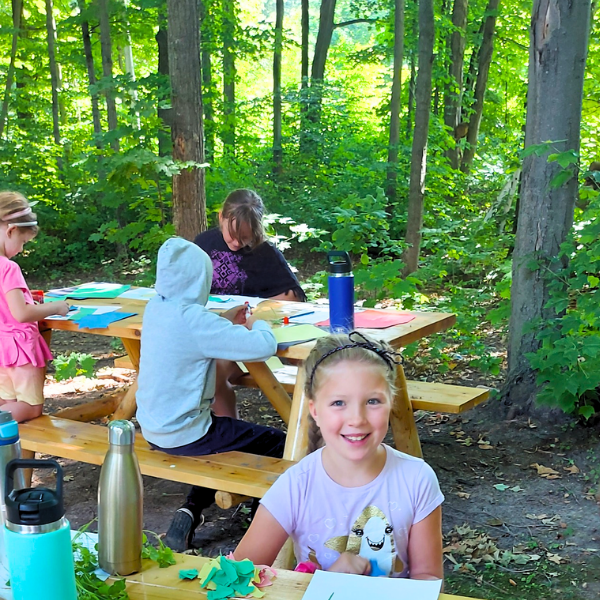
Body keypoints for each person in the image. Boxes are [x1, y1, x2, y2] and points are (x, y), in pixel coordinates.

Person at [234, 332, 444, 580]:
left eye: (373, 401)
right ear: (315, 410)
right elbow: (237, 578)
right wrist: (331, 579)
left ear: (391, 403)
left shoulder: (416, 478)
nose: (357, 419)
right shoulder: (296, 485)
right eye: (338, 403)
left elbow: (428, 578)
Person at [136, 237, 286, 552]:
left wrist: (221, 320)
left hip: (152, 427)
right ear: (200, 280)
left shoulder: (157, 307)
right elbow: (263, 347)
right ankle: (262, 523)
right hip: (185, 432)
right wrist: (260, 323)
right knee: (280, 443)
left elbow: (190, 331)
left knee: (222, 444)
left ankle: (190, 509)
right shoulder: (194, 321)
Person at [195, 188, 306, 418]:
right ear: (221, 218)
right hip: (205, 330)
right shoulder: (204, 243)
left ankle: (230, 433)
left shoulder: (264, 252)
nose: (236, 243)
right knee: (188, 370)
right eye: (232, 235)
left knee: (209, 376)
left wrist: (255, 311)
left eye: (244, 237)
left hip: (243, 336)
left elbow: (294, 297)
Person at [0, 192, 70, 422]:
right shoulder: (9, 268)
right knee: (30, 407)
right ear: (10, 231)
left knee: (8, 405)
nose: (20, 250)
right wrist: (55, 307)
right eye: (22, 242)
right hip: (20, 349)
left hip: (2, 350)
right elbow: (21, 314)